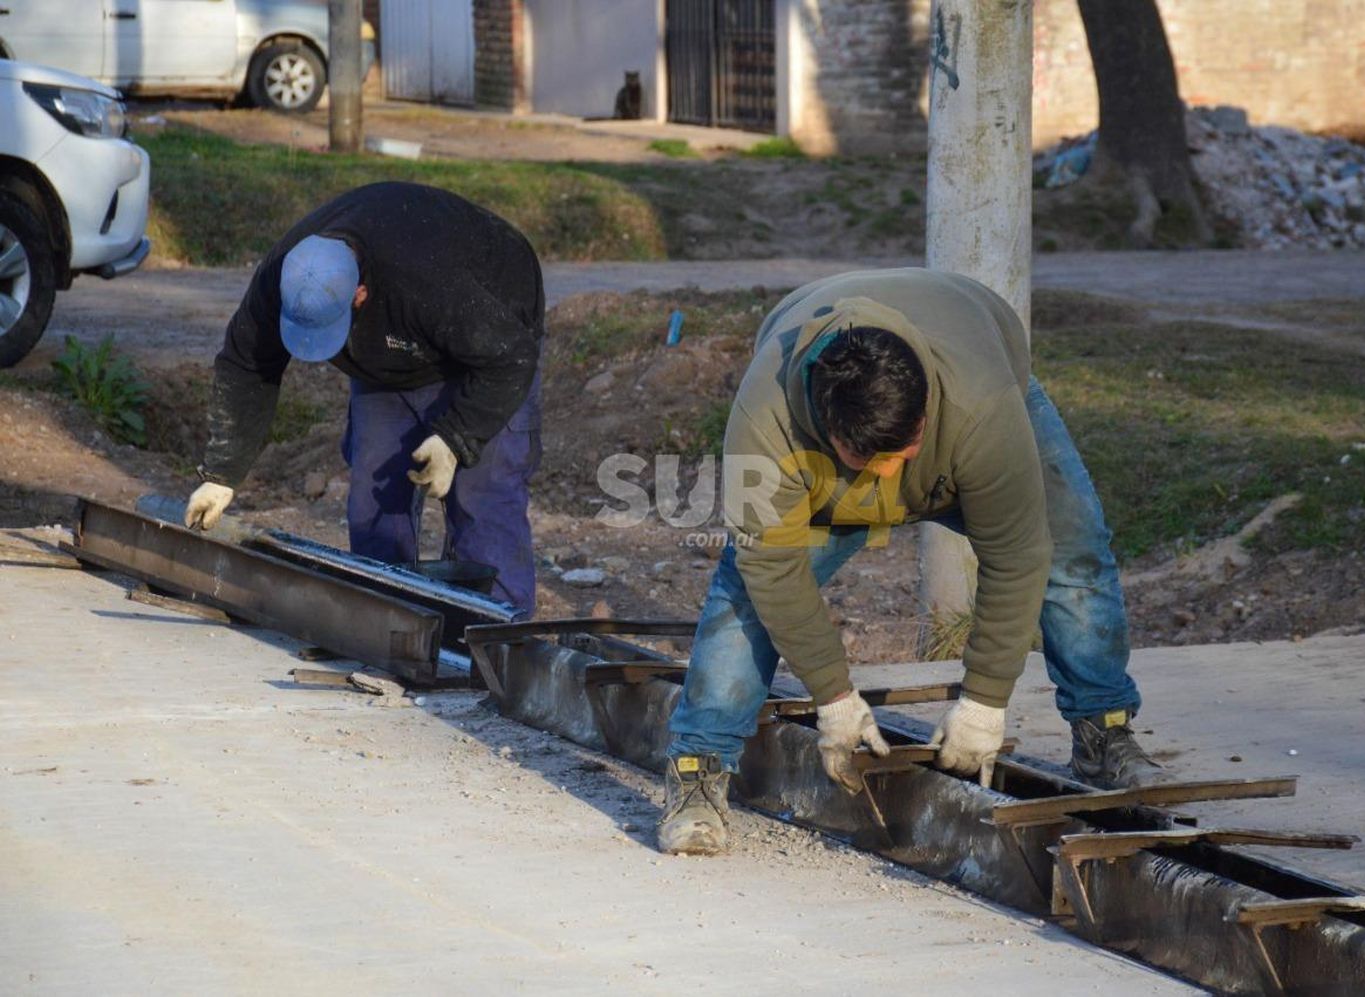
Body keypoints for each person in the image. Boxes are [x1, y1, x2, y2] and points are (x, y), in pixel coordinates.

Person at [657, 268, 1164, 856]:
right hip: (833, 456)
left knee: (1071, 546)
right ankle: (697, 771)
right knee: (746, 590)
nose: (894, 475)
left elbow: (1017, 552)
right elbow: (772, 570)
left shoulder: (981, 405)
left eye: (907, 449)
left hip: (978, 378)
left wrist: (984, 701)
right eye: (875, 458)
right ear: (830, 430)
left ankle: (1104, 733)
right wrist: (835, 698)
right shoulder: (764, 424)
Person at [184, 182, 545, 614]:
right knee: (373, 505)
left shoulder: (430, 285)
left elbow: (511, 358)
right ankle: (390, 624)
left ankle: (500, 637)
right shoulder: (284, 274)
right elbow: (246, 365)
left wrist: (456, 439)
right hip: (393, 352)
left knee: (483, 503)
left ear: (360, 294)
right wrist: (222, 474)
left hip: (491, 343)